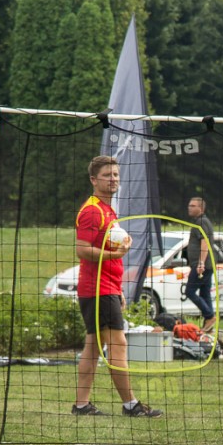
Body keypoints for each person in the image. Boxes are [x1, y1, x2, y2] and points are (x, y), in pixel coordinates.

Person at [72, 155, 162, 418]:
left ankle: (81, 405)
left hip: (105, 288)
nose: (113, 179)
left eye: (115, 175)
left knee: (93, 347)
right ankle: (130, 405)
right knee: (118, 344)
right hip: (97, 289)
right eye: (106, 175)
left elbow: (106, 254)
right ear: (93, 180)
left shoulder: (107, 210)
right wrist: (115, 255)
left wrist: (118, 288)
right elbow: (82, 249)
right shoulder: (92, 211)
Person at [185, 196, 216, 334]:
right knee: (205, 294)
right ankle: (209, 327)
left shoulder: (201, 222)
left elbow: (205, 243)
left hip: (202, 265)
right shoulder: (202, 221)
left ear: (201, 208)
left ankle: (209, 316)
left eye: (193, 206)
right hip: (206, 265)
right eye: (189, 205)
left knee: (189, 291)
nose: (189, 208)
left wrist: (201, 263)